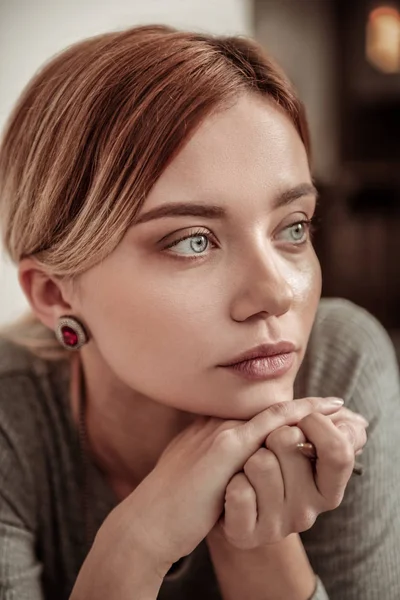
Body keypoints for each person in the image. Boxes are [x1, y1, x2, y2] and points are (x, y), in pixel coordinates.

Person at [0, 24, 398, 600]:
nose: (276, 293)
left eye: (292, 228)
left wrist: (255, 541)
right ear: (56, 295)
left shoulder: (343, 361)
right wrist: (136, 544)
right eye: (193, 240)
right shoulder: (12, 422)